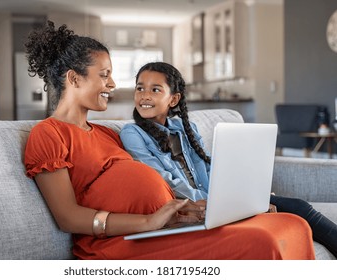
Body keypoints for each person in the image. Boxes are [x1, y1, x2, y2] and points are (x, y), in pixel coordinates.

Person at [24, 21, 315, 260]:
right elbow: (68, 217)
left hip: (165, 228)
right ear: (74, 79)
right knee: (262, 243)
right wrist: (149, 222)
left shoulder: (105, 133)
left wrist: (188, 212)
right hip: (120, 244)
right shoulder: (49, 134)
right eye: (104, 75)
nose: (112, 84)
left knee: (293, 224)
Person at [119, 61, 337, 258]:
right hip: (196, 207)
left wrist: (246, 193)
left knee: (299, 207)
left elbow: (211, 167)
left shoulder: (184, 128)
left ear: (173, 99)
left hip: (221, 202)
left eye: (155, 89)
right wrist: (217, 203)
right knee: (292, 213)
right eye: (140, 88)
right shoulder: (133, 133)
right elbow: (161, 178)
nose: (144, 95)